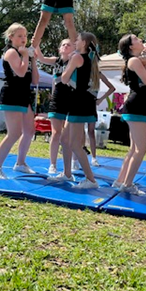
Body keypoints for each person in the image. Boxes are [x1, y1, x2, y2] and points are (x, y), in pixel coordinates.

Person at [49, 32, 101, 189]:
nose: (74, 41)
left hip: (78, 103)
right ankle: (67, 173)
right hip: (79, 102)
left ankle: (90, 180)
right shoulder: (89, 58)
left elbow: (64, 79)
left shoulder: (77, 58)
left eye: (77, 40)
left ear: (84, 43)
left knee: (74, 144)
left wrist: (67, 66)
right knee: (65, 140)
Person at [0, 23, 39, 179]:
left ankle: (20, 163)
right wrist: (25, 56)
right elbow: (21, 73)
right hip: (12, 95)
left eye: (25, 36)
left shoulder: (24, 55)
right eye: (20, 36)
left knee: (29, 131)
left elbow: (35, 80)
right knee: (14, 133)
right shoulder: (11, 52)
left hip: (24, 95)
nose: (24, 39)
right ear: (11, 37)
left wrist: (33, 60)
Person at [114, 34, 146, 195]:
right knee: (141, 148)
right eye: (136, 39)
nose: (140, 40)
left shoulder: (139, 61)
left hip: (139, 106)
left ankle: (120, 180)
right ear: (131, 46)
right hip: (135, 106)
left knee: (134, 149)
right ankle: (127, 184)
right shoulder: (133, 61)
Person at [34, 39, 75, 174]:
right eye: (63, 44)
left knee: (69, 135)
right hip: (57, 99)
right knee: (56, 132)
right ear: (59, 49)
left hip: (72, 99)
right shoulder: (56, 61)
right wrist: (37, 43)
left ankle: (73, 161)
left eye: (68, 44)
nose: (65, 46)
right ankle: (53, 164)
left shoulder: (76, 61)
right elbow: (41, 58)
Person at [86, 72, 116, 167]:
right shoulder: (81, 69)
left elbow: (112, 88)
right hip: (81, 103)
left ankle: (94, 158)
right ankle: (78, 157)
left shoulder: (98, 74)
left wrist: (101, 99)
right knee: (80, 131)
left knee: (91, 132)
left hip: (91, 104)